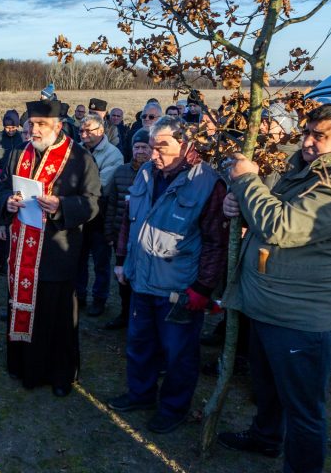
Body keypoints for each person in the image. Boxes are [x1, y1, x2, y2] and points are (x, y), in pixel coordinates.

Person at [217, 104, 331, 473]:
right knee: (269, 389)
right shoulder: (311, 166)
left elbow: (283, 226)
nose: (307, 141)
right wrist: (241, 206)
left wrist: (245, 182)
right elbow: (275, 209)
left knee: (304, 409)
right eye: (307, 131)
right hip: (272, 302)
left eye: (319, 136)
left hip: (306, 315)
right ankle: (266, 438)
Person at [108, 116, 229, 434]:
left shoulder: (208, 183)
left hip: (179, 288)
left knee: (178, 354)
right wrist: (121, 260)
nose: (153, 153)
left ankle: (174, 408)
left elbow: (217, 241)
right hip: (141, 279)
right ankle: (141, 394)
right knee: (139, 343)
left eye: (162, 146)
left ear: (187, 146)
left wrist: (203, 288)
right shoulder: (146, 172)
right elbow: (128, 220)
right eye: (152, 145)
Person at [0, 99, 100, 396]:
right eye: (32, 123)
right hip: (21, 248)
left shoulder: (80, 158)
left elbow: (93, 202)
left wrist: (61, 205)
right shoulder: (19, 152)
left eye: (41, 124)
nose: (34, 129)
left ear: (58, 126)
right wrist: (6, 202)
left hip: (57, 250)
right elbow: (3, 188)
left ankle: (59, 374)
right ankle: (23, 366)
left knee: (55, 314)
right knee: (22, 305)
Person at [103, 129, 151, 330]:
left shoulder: (154, 174)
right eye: (136, 147)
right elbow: (112, 203)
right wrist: (109, 232)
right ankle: (124, 314)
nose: (140, 151)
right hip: (121, 236)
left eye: (144, 147)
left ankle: (140, 318)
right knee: (123, 278)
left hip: (145, 239)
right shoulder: (121, 172)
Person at [75, 115, 123, 316]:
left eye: (88, 131)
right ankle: (79, 295)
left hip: (100, 215)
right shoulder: (76, 150)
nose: (84, 135)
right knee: (78, 258)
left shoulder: (113, 155)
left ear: (100, 131)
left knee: (101, 262)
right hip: (78, 213)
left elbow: (100, 185)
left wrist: (74, 186)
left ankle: (100, 298)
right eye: (81, 131)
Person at [0, 110, 24, 274]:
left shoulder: (22, 139)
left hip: (20, 183)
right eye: (7, 127)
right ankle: (1, 263)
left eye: (13, 127)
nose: (10, 130)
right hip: (2, 182)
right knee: (1, 224)